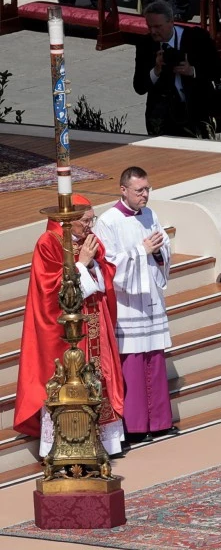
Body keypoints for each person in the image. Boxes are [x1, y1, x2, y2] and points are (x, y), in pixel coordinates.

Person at [14, 195, 126, 458]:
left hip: (94, 318)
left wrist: (94, 264)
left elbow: (106, 273)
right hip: (64, 330)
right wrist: (82, 263)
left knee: (98, 375)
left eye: (92, 220)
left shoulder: (90, 240)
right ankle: (66, 441)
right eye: (85, 221)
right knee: (68, 377)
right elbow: (49, 288)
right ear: (69, 220)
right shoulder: (48, 243)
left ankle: (104, 442)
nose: (90, 226)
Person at [95, 167, 174, 444]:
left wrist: (160, 250)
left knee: (155, 358)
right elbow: (109, 264)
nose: (145, 195)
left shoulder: (151, 214)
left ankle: (160, 421)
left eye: (147, 189)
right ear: (123, 190)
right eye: (139, 190)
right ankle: (136, 426)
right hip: (128, 303)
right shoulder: (108, 221)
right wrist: (143, 250)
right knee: (133, 362)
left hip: (151, 297)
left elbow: (163, 247)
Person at [132, 1, 221, 137]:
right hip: (163, 117)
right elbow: (139, 87)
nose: (153, 31)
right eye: (149, 26)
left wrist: (192, 71)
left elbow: (220, 70)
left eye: (158, 26)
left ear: (171, 22)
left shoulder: (196, 37)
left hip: (197, 111)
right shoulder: (145, 44)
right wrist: (156, 71)